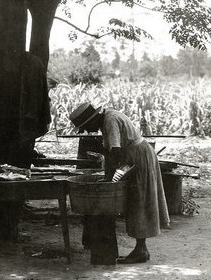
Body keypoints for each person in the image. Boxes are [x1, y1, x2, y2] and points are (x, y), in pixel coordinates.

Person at [69, 103, 170, 264]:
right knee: (136, 200)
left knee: (139, 200)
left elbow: (115, 152)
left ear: (92, 119)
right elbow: (111, 153)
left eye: (87, 126)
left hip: (139, 156)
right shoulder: (106, 119)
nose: (88, 131)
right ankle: (141, 249)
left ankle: (141, 250)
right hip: (134, 156)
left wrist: (109, 179)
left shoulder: (110, 120)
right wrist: (108, 176)